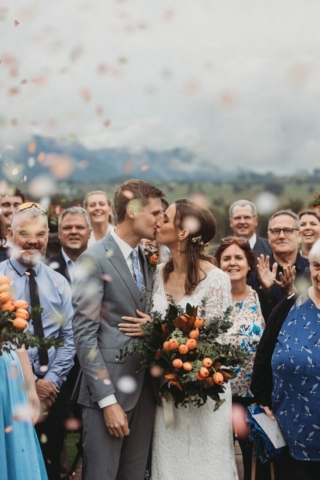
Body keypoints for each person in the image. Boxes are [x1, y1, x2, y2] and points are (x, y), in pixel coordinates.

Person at [121, 199, 238, 480]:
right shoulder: (157, 274)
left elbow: (219, 344)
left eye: (166, 217)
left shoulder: (217, 280)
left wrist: (156, 330)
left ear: (183, 232)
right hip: (166, 393)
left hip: (205, 395)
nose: (158, 220)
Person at [72, 179, 164, 480]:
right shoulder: (93, 259)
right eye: (155, 213)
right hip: (107, 396)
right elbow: (85, 336)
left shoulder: (146, 258)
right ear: (133, 212)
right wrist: (107, 402)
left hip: (145, 395)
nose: (161, 220)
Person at [0, 203, 75, 480]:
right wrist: (29, 384)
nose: (33, 240)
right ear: (9, 234)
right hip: (8, 389)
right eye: (25, 233)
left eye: (40, 234)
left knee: (50, 460)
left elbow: (69, 338)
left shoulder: (59, 283)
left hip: (52, 394)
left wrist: (51, 382)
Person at [251, 239, 320, 480]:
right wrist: (261, 397)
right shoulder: (288, 306)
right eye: (317, 266)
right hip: (292, 427)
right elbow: (264, 353)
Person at [214, 236, 266, 480]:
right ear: (218, 264)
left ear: (249, 265)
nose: (232, 263)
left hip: (253, 397)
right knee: (220, 460)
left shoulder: (262, 299)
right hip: (216, 396)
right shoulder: (211, 302)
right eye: (226, 259)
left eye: (238, 258)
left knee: (254, 463)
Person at [249, 209, 310, 320]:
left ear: (299, 236)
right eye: (275, 231)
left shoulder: (312, 270)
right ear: (268, 236)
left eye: (287, 230)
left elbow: (314, 315)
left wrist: (291, 293)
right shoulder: (254, 271)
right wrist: (264, 290)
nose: (281, 236)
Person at [48, 206, 92, 283]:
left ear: (89, 233)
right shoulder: (46, 268)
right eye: (67, 228)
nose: (73, 232)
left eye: (79, 227)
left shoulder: (102, 266)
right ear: (59, 234)